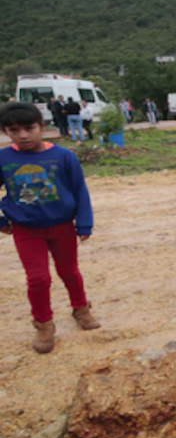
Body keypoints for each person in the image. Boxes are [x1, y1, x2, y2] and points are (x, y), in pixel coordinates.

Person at [0, 102, 101, 354]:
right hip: (26, 230)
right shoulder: (3, 159)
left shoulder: (64, 156)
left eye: (29, 128)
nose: (23, 135)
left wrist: (84, 222)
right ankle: (44, 325)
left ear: (42, 127)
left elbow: (79, 190)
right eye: (14, 130)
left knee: (69, 271)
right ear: (5, 132)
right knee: (38, 278)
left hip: (62, 227)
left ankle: (81, 309)